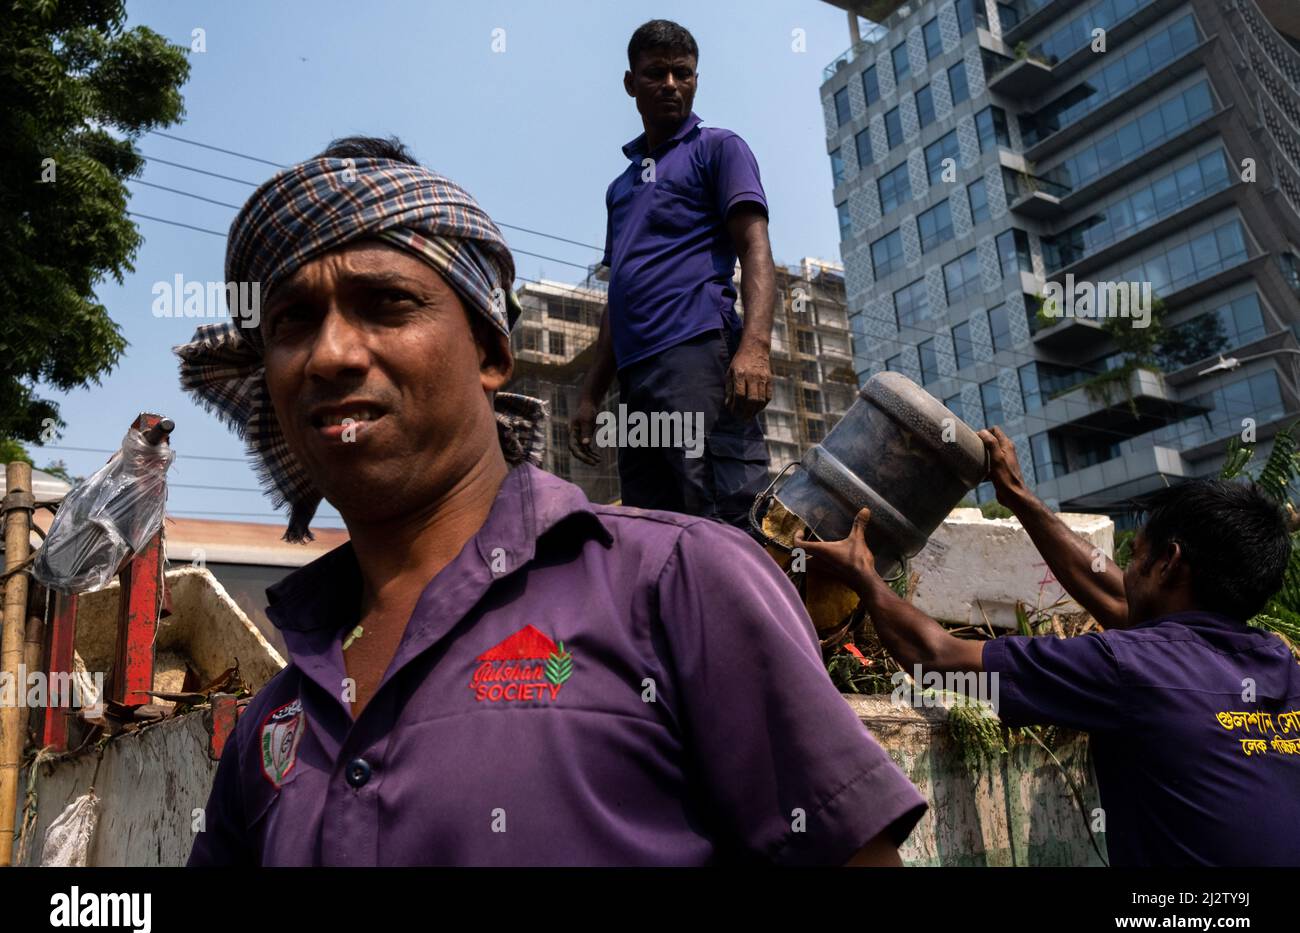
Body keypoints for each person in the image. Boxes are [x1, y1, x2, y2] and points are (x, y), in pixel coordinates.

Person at [178, 136, 926, 866]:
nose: (331, 353)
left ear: (492, 353)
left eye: (386, 304)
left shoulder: (680, 584)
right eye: (291, 323)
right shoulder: (277, 715)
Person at [797, 426, 1300, 866]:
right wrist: (1016, 494)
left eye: (1136, 555)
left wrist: (863, 573)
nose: (1124, 571)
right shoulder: (1280, 663)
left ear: (1169, 563)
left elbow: (939, 660)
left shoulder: (1129, 666)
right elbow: (1118, 599)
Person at [570, 19, 775, 530]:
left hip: (697, 354)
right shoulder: (621, 187)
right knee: (652, 520)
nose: (670, 85)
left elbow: (755, 247)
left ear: (696, 80)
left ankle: (740, 610)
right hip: (638, 377)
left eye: (682, 73)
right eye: (656, 73)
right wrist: (592, 394)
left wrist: (755, 347)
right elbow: (620, 293)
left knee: (713, 512)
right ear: (630, 83)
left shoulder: (718, 148)